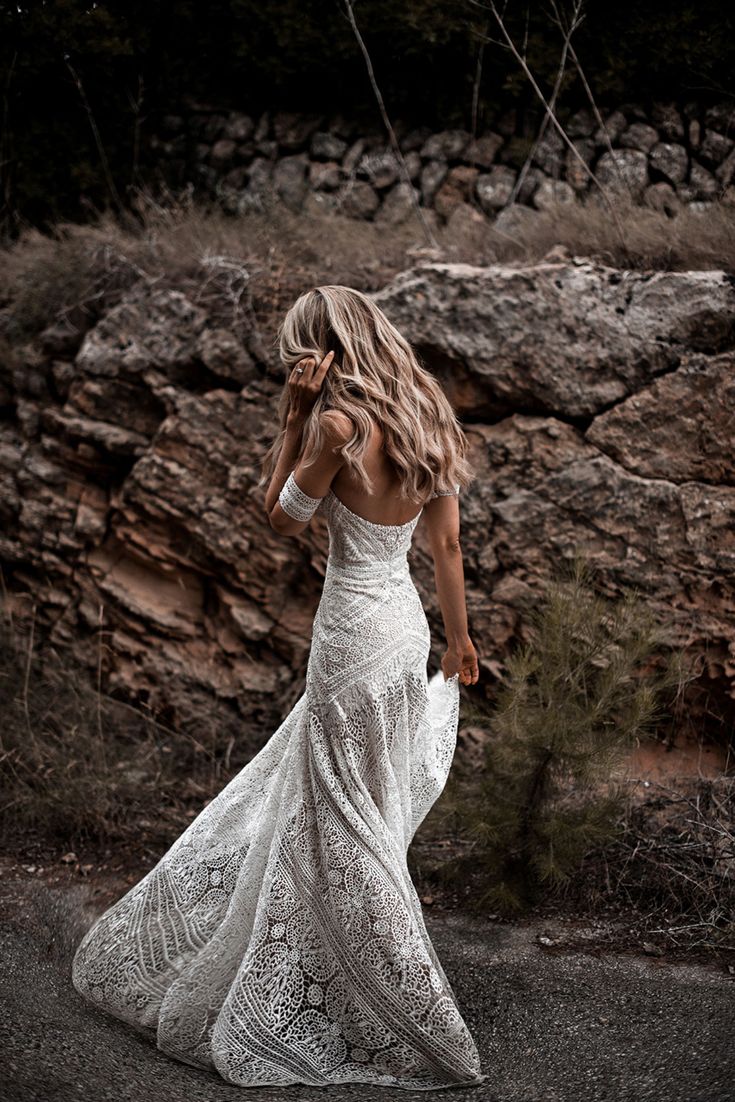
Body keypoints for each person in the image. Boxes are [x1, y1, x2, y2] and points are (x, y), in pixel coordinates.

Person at [71, 285, 486, 1090]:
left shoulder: (336, 424)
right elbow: (448, 548)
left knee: (340, 813)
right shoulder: (427, 411)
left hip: (350, 637)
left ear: (322, 348)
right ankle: (337, 979)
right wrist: (462, 637)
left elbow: (282, 517)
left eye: (299, 347)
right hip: (405, 628)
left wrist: (294, 416)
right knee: (363, 807)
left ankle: (392, 1005)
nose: (293, 360)